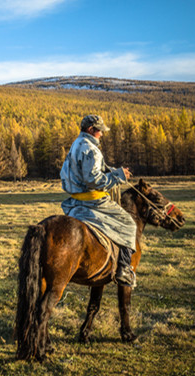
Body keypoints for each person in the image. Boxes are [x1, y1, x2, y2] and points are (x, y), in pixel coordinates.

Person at [60, 115, 137, 287]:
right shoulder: (91, 149)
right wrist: (118, 176)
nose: (102, 134)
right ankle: (124, 270)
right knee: (129, 225)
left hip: (75, 201)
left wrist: (112, 171)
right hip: (93, 201)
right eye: (100, 130)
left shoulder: (75, 144)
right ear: (90, 130)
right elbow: (93, 180)